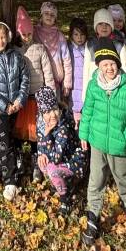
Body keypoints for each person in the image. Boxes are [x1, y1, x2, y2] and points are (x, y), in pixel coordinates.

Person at [79, 38, 126, 246]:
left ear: (118, 64)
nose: (109, 68)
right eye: (104, 64)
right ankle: (93, 217)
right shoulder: (94, 86)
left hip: (118, 146)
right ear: (98, 66)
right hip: (97, 143)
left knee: (123, 179)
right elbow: (87, 111)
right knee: (96, 180)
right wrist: (84, 134)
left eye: (112, 64)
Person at [0, 21, 30, 201]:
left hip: (15, 107)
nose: (0, 41)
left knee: (6, 138)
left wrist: (19, 101)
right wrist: (4, 105)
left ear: (8, 38)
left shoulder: (16, 57)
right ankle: (11, 180)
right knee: (5, 143)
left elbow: (25, 78)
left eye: (2, 37)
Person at [14, 6, 55, 180]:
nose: (27, 37)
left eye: (29, 33)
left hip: (37, 98)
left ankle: (36, 161)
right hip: (22, 98)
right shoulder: (15, 50)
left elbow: (48, 74)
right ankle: (19, 160)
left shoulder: (39, 49)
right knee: (19, 131)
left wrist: (51, 98)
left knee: (37, 133)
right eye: (23, 34)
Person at [35, 86, 86, 215]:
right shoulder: (41, 123)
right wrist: (41, 154)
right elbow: (40, 145)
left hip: (74, 160)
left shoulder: (63, 127)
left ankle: (65, 199)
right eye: (47, 112)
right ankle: (63, 183)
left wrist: (47, 136)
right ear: (41, 113)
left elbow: (56, 157)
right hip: (59, 158)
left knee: (52, 169)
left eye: (54, 109)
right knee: (43, 163)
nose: (52, 115)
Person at [82, 8, 126, 101]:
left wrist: (122, 90)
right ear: (95, 27)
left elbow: (125, 69)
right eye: (100, 24)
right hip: (95, 90)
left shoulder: (119, 45)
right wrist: (85, 95)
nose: (104, 27)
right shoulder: (90, 44)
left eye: (107, 24)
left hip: (115, 89)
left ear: (111, 26)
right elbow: (86, 70)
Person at [33, 1, 72, 100]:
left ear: (55, 18)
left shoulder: (60, 36)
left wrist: (67, 82)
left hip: (56, 82)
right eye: (46, 13)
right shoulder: (34, 33)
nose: (49, 16)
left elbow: (67, 60)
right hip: (40, 81)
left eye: (52, 15)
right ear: (41, 15)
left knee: (55, 107)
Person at [67, 17, 88, 129]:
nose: (79, 38)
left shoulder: (89, 48)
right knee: (75, 118)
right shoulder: (69, 49)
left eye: (82, 34)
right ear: (71, 35)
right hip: (74, 87)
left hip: (86, 85)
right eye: (76, 34)